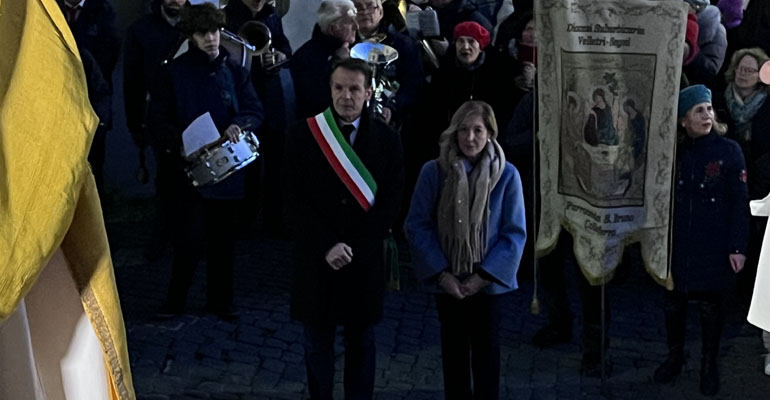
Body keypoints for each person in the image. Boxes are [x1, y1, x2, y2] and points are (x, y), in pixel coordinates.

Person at [284, 57, 404, 400]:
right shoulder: (302, 135)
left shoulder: (387, 140)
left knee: (361, 344)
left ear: (368, 93)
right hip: (316, 258)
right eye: (339, 88)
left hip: (362, 260)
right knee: (316, 344)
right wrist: (327, 244)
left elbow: (392, 202)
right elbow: (291, 200)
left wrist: (355, 246)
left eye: (354, 89)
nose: (346, 96)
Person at [147, 3, 264, 320]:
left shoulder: (234, 71)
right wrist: (179, 145)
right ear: (192, 36)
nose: (211, 39)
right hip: (188, 172)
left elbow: (254, 109)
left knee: (223, 243)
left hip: (227, 172)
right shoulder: (173, 73)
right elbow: (158, 119)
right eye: (203, 33)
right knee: (188, 241)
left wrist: (239, 124)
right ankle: (175, 301)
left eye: (214, 32)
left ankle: (221, 301)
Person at [405, 100, 526, 399]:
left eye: (478, 130)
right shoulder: (434, 172)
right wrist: (442, 275)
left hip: (486, 284)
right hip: (448, 281)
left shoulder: (507, 175)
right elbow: (417, 225)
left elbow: (514, 233)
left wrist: (481, 277)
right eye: (463, 130)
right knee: (453, 354)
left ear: (490, 134)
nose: (470, 138)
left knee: (487, 354)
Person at [653, 84, 749, 397]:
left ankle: (709, 365)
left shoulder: (729, 151)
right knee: (674, 305)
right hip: (679, 243)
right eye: (698, 110)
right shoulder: (673, 152)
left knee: (711, 309)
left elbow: (739, 203)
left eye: (708, 109)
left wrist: (737, 247)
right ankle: (675, 357)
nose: (707, 115)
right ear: (683, 119)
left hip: (714, 245)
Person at [124, 0, 187, 259]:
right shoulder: (141, 30)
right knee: (167, 179)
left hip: (191, 111)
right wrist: (135, 122)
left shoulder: (195, 24)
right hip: (160, 115)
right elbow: (133, 80)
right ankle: (162, 238)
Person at [291, 0, 359, 119]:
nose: (357, 27)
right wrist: (336, 63)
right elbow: (313, 101)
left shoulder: (355, 49)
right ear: (332, 29)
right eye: (350, 22)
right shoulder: (305, 58)